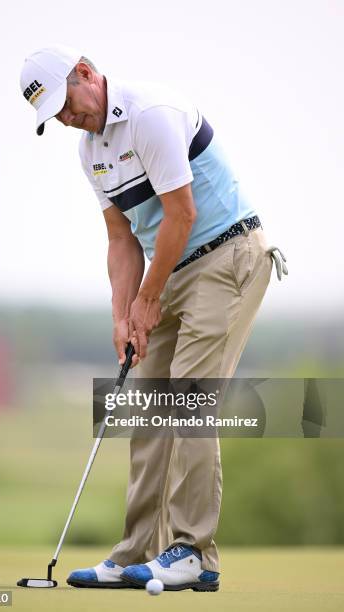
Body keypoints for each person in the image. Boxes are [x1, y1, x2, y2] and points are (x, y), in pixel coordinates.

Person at [19, 44, 287, 592]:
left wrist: (148, 299)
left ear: (86, 74)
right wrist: (123, 316)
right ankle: (137, 551)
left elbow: (181, 213)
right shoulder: (89, 151)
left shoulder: (150, 115)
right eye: (56, 117)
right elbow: (121, 239)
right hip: (171, 266)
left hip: (226, 255)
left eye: (66, 103)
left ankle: (194, 553)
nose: (68, 119)